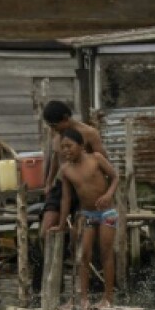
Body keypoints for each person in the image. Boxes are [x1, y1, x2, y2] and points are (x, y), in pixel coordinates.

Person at [57, 128, 120, 310]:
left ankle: (108, 298)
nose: (66, 150)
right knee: (84, 255)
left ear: (81, 146)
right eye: (63, 147)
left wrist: (109, 194)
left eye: (69, 146)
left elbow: (115, 177)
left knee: (106, 253)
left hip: (107, 213)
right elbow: (66, 198)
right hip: (87, 215)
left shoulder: (96, 159)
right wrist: (62, 224)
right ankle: (82, 298)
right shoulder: (66, 170)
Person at [39, 100, 108, 234]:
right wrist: (48, 182)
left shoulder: (89, 133)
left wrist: (105, 190)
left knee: (80, 231)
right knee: (46, 228)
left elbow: (103, 162)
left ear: (65, 118)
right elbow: (56, 157)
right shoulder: (57, 134)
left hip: (83, 185)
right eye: (50, 126)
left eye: (54, 125)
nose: (53, 129)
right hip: (61, 183)